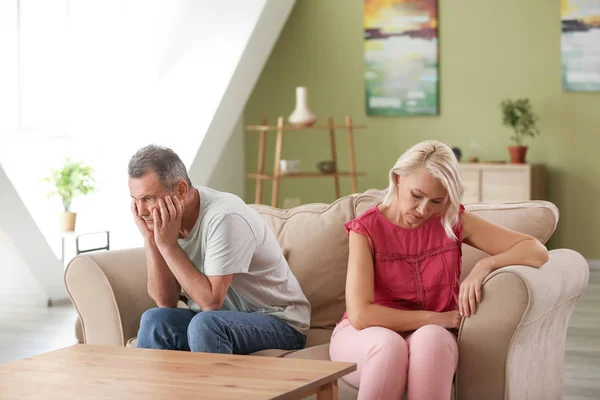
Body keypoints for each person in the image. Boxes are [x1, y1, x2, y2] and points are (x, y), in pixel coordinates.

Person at [329, 140, 549, 400]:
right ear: (398, 179)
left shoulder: (452, 221)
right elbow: (361, 315)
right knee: (389, 347)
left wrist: (484, 265)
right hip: (365, 335)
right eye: (417, 196)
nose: (424, 210)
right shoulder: (365, 230)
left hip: (431, 333)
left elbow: (535, 250)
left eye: (436, 201)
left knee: (432, 341)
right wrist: (437, 318)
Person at [128, 144, 310, 354]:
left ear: (181, 190)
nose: (141, 211)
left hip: (280, 322)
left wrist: (168, 245)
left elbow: (211, 302)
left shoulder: (224, 217)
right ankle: (159, 388)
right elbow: (165, 300)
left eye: (148, 199)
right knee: (154, 319)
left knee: (206, 324)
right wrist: (151, 240)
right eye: (135, 200)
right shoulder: (165, 224)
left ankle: (209, 388)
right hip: (221, 319)